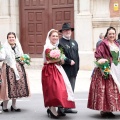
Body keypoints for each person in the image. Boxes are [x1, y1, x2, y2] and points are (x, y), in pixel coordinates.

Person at [41, 29, 75, 118]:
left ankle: (54, 108)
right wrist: (59, 60)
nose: (55, 37)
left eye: (56, 36)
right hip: (50, 71)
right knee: (52, 90)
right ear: (49, 37)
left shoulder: (56, 47)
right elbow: (49, 60)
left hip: (57, 69)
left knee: (59, 89)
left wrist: (60, 61)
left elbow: (58, 59)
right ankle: (52, 109)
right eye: (53, 36)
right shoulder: (47, 47)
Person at [87, 27, 120, 118]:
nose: (112, 35)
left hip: (115, 69)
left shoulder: (117, 44)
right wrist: (104, 66)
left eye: (113, 34)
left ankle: (110, 109)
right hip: (105, 69)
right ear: (107, 34)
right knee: (104, 90)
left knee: (113, 90)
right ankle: (104, 110)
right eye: (110, 34)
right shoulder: (103, 44)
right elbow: (98, 55)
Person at [0, 32, 30, 112]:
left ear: (15, 38)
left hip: (18, 68)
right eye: (9, 37)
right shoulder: (4, 47)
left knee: (16, 86)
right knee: (7, 86)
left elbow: (22, 56)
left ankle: (14, 105)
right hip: (8, 68)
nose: (11, 38)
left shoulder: (18, 46)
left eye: (13, 37)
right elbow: (2, 57)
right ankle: (5, 106)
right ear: (7, 39)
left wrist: (23, 60)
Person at [58, 23, 79, 113]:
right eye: (66, 30)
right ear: (62, 32)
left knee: (71, 89)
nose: (68, 31)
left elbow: (77, 56)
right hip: (64, 69)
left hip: (73, 70)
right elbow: (59, 56)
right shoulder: (59, 42)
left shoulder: (74, 42)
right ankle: (61, 107)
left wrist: (77, 68)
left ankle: (68, 107)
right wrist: (68, 61)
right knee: (63, 89)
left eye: (69, 30)